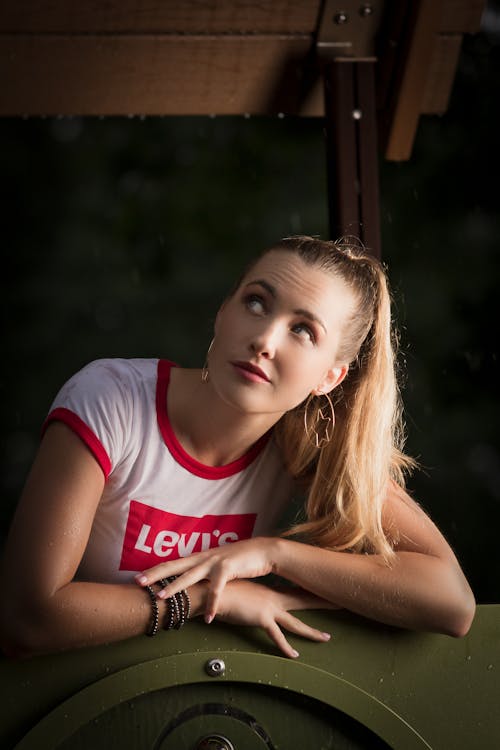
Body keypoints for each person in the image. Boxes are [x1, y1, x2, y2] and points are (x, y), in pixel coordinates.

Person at [0, 236, 475, 659]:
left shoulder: (304, 447)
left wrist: (273, 555)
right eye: (255, 303)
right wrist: (210, 597)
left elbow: (451, 604)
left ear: (330, 377)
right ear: (222, 312)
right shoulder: (111, 400)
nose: (264, 341)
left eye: (304, 331)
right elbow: (28, 617)